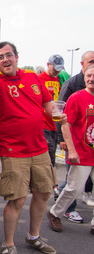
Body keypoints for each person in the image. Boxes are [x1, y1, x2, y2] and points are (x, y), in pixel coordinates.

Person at [0, 41, 66, 254]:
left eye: (9, 55)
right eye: (1, 57)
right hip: (14, 151)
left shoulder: (33, 77)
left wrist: (59, 114)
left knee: (43, 193)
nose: (5, 59)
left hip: (40, 148)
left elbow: (48, 105)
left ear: (17, 57)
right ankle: (8, 244)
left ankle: (33, 236)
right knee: (17, 199)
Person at [47, 65, 94, 235]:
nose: (91, 79)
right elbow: (66, 124)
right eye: (88, 75)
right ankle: (55, 212)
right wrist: (71, 150)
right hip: (83, 152)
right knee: (74, 188)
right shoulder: (77, 97)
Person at [56, 51, 94, 219]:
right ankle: (67, 210)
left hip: (90, 146)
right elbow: (61, 114)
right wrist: (63, 140)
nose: (91, 77)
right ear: (82, 63)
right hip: (75, 144)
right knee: (73, 183)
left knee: (77, 181)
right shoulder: (73, 85)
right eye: (91, 62)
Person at [38, 55, 65, 206]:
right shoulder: (39, 78)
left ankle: (49, 185)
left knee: (51, 155)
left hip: (54, 123)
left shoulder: (59, 79)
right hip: (42, 123)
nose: (56, 72)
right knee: (48, 155)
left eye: (59, 69)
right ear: (48, 65)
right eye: (55, 68)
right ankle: (52, 186)